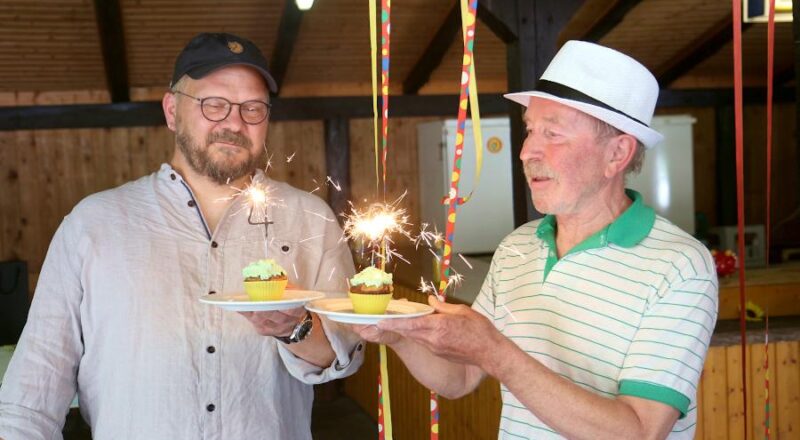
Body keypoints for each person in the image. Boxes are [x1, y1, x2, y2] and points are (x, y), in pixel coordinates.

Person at [0, 32, 363, 439]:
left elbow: (342, 353)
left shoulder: (310, 218)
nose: (234, 122)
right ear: (172, 111)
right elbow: (34, 384)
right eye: (214, 104)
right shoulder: (93, 224)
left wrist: (294, 327)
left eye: (253, 108)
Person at [356, 41, 718, 439]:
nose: (527, 151)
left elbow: (638, 432)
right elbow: (460, 377)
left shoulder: (681, 265)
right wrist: (399, 336)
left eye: (553, 134)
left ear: (617, 154)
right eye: (530, 130)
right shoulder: (518, 248)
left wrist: (496, 352)